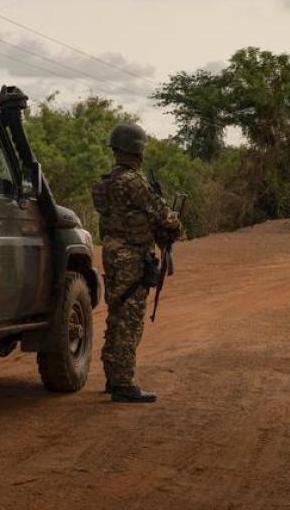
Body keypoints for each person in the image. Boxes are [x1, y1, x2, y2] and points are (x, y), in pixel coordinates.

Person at [92, 122, 182, 403]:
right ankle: (123, 383)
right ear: (138, 150)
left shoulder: (107, 181)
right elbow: (161, 216)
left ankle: (113, 374)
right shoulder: (134, 181)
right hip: (132, 255)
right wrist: (175, 225)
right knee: (130, 317)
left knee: (116, 313)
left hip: (112, 251)